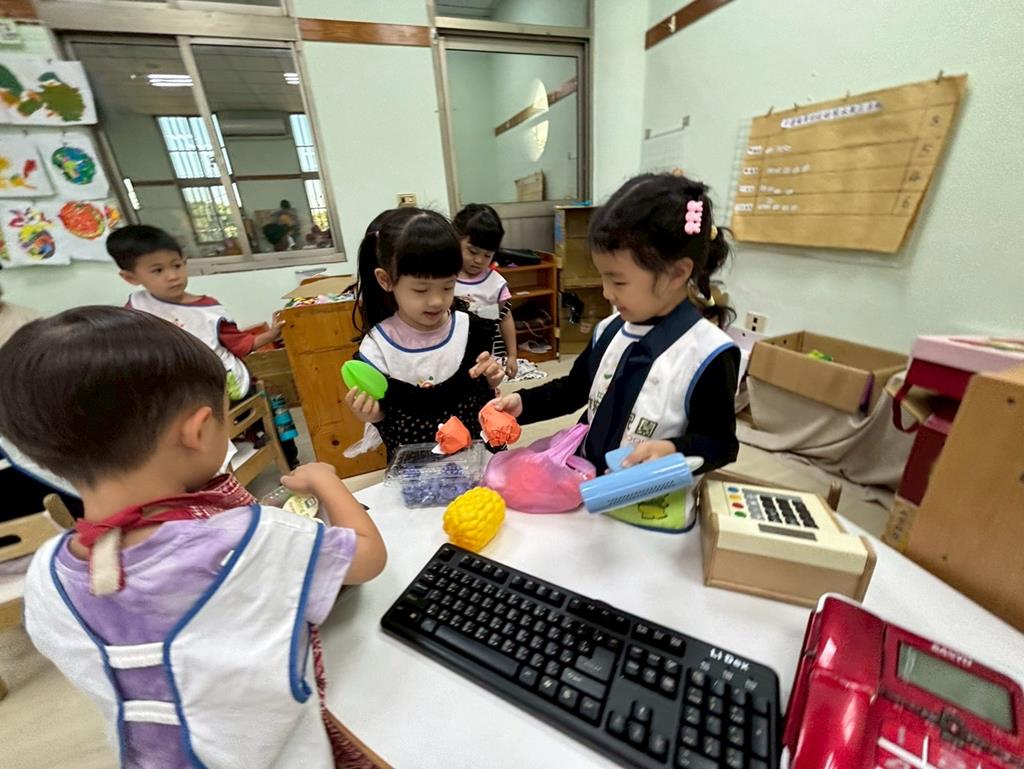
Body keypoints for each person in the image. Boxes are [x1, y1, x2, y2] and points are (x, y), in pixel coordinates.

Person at [0, 307, 387, 768]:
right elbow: (367, 558)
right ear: (199, 430)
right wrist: (326, 480)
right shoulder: (248, 542)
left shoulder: (46, 575)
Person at [489, 173, 740, 524]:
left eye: (618, 280)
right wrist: (523, 403)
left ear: (676, 273)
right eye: (603, 277)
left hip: (651, 507)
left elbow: (721, 444)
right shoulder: (609, 330)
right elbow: (575, 389)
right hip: (586, 481)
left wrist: (673, 449)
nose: (606, 292)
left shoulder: (708, 354)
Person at [345, 207, 505, 460]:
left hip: (479, 464)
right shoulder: (377, 348)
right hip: (418, 474)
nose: (436, 301)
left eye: (448, 287)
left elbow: (484, 398)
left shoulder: (471, 329)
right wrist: (373, 414)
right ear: (386, 280)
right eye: (421, 290)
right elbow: (388, 419)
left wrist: (492, 379)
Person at [453, 204, 517, 379]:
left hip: (486, 358)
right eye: (472, 251)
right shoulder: (445, 279)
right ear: (455, 240)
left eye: (487, 255)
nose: (479, 260)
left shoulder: (496, 284)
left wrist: (512, 355)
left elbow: (506, 318)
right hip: (451, 354)